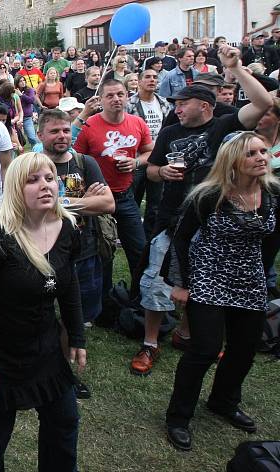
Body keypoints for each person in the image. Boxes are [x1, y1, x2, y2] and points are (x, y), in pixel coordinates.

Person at [136, 45, 272, 375]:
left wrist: (236, 68)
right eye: (176, 103)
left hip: (214, 221)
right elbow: (151, 169)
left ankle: (185, 333)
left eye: (183, 103)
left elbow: (264, 103)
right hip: (172, 217)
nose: (177, 108)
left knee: (200, 281)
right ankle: (150, 343)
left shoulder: (223, 126)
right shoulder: (169, 132)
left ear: (205, 106)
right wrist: (162, 173)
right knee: (157, 278)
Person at [0, 152, 86, 471]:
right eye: (33, 180)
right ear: (15, 188)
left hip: (44, 346)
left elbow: (68, 286)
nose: (45, 185)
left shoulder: (67, 228)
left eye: (49, 177)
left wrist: (77, 335)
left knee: (64, 419)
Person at [164, 131, 278, 451]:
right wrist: (182, 284)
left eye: (263, 151)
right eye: (251, 153)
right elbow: (182, 239)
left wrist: (262, 278)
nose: (260, 158)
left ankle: (223, 401)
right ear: (233, 160)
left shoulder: (273, 195)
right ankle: (178, 416)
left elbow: (271, 242)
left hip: (250, 281)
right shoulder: (209, 195)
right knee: (205, 349)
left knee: (244, 349)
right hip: (209, 277)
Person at [74, 79, 152, 300]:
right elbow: (75, 159)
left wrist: (136, 163)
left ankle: (138, 297)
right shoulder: (90, 125)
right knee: (103, 250)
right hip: (98, 196)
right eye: (110, 95)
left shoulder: (137, 123)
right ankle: (105, 300)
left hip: (125, 196)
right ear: (101, 99)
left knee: (138, 248)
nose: (116, 99)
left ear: (127, 96)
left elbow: (149, 151)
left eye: (120, 94)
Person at [38, 109, 114, 326]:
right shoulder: (31, 165)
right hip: (44, 253)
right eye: (54, 131)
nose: (62, 135)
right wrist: (86, 201)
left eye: (65, 130)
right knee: (42, 312)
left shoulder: (85, 163)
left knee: (78, 314)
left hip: (84, 252)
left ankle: (67, 349)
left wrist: (58, 204)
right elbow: (28, 207)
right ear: (40, 135)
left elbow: (108, 204)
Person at [127, 68, 173, 237]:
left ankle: (150, 235)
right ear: (139, 81)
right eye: (147, 77)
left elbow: (168, 129)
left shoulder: (164, 103)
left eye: (155, 77)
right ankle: (132, 233)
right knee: (133, 199)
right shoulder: (129, 104)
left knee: (155, 201)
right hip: (137, 158)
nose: (152, 80)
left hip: (157, 159)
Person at [14, 74, 41, 145]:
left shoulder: (30, 90)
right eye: (20, 81)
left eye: (24, 80)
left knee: (32, 137)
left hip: (27, 117)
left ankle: (36, 151)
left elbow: (31, 100)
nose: (23, 82)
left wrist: (22, 95)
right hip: (16, 118)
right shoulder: (13, 91)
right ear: (17, 83)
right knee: (18, 140)